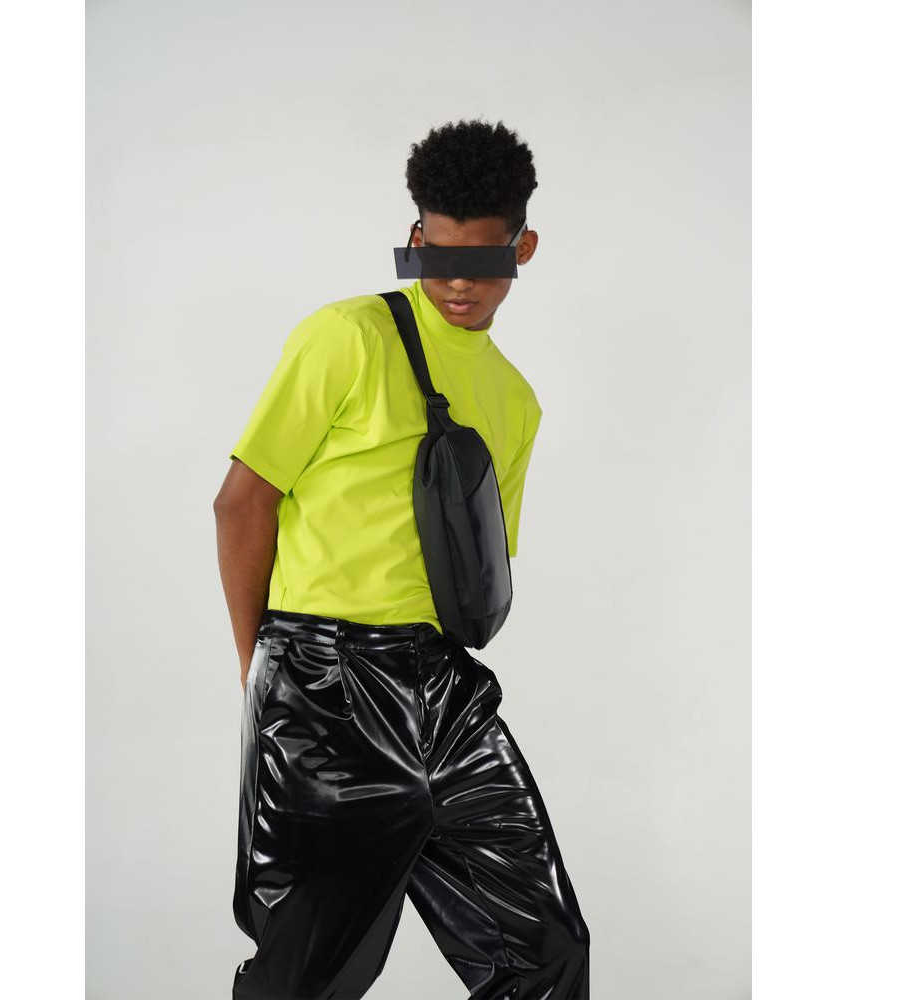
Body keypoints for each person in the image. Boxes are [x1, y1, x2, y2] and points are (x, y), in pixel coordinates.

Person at [214, 118, 590, 1000]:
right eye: (438, 254)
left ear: (523, 247)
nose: (458, 281)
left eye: (484, 261)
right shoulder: (349, 335)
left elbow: (478, 574)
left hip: (444, 690)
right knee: (306, 974)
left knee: (544, 952)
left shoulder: (516, 400)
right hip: (324, 684)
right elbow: (243, 502)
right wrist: (264, 672)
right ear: (416, 236)